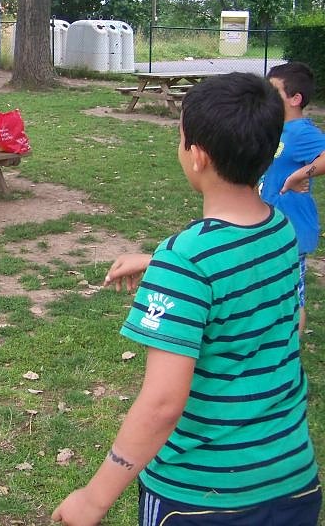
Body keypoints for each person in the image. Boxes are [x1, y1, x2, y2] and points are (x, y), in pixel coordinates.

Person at [52, 73, 321, 525]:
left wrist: (94, 499)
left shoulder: (186, 261)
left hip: (202, 498)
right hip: (292, 480)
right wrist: (158, 263)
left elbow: (162, 403)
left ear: (197, 155)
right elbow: (291, 316)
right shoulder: (280, 230)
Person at [259, 61, 325, 335]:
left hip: (292, 229)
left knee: (292, 299)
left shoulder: (302, 131)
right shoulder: (278, 128)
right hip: (270, 225)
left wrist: (300, 174)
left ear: (295, 98)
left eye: (274, 91)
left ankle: (289, 354)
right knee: (268, 292)